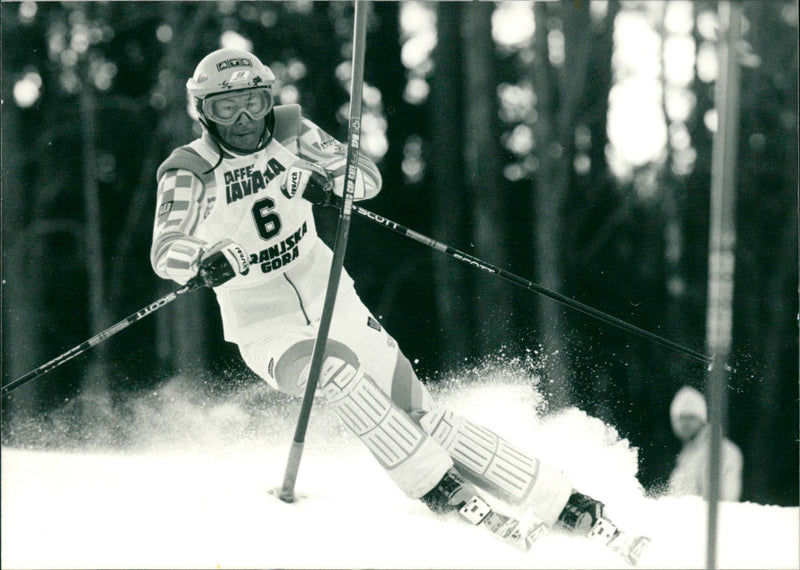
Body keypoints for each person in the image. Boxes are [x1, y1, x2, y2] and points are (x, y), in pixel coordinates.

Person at [150, 47, 636, 556]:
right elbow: (166, 248)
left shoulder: (293, 130)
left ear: (269, 98)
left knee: (419, 411)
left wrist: (325, 182)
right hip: (265, 325)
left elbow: (365, 178)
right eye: (227, 108)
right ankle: (437, 486)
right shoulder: (188, 169)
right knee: (336, 375)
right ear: (203, 111)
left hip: (333, 298)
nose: (245, 118)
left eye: (253, 100)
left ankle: (559, 498)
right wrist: (206, 256)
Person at [668, 385, 743, 501]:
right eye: (680, 418)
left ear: (703, 419)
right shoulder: (687, 455)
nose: (684, 424)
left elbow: (721, 501)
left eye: (690, 417)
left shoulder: (720, 450)